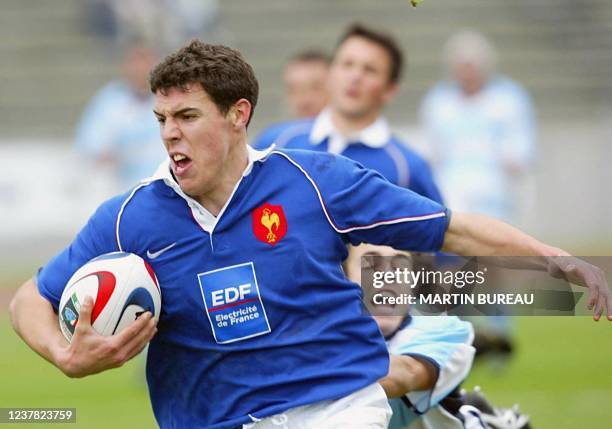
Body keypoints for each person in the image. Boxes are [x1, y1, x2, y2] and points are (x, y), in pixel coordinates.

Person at [9, 40, 610, 429]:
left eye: (187, 117)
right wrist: (65, 354)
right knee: (444, 343)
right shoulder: (130, 217)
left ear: (237, 115)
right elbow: (28, 299)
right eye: (162, 119)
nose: (170, 134)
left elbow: (453, 229)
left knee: (448, 334)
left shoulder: (316, 182)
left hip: (337, 410)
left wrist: (557, 260)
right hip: (213, 420)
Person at [420, 30, 538, 354]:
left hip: (493, 195)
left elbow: (520, 152)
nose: (467, 72)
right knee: (455, 266)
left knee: (494, 263)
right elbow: (433, 152)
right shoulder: (439, 102)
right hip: (452, 195)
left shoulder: (509, 99)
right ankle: (467, 331)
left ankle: (500, 329)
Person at [345, 244, 532, 429]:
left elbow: (404, 375)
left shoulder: (444, 331)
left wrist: (319, 369)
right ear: (341, 279)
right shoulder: (326, 333)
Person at [254, 24, 442, 203]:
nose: (355, 77)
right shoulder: (277, 142)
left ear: (390, 90)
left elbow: (439, 233)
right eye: (347, 64)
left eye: (370, 70)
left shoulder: (407, 168)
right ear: (331, 72)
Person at [74, 40, 167, 190]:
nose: (140, 68)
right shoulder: (109, 100)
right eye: (135, 61)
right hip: (122, 189)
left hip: (166, 189)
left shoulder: (171, 99)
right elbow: (90, 146)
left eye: (146, 60)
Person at [253, 50, 330, 151]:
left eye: (316, 88)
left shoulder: (350, 141)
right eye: (293, 90)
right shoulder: (272, 142)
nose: (304, 101)